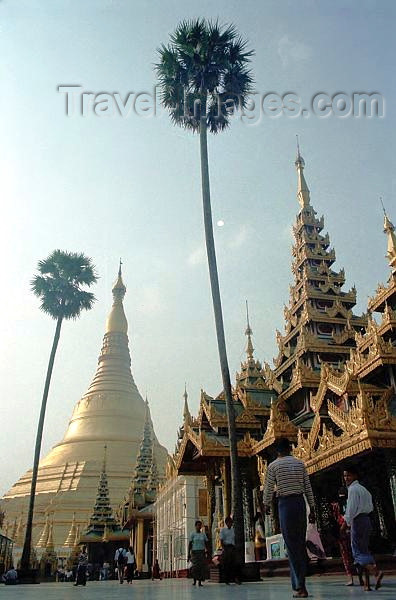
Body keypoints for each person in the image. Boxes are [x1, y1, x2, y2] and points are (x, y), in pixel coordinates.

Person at [263, 437, 315, 599]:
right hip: (300, 503)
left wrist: (265, 505)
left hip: (285, 505)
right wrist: (312, 508)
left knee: (292, 546)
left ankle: (300, 586)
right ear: (290, 448)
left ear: (277, 450)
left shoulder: (273, 466)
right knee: (299, 545)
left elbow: (268, 489)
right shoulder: (300, 464)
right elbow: (308, 487)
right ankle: (301, 584)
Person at [341, 466, 384, 591]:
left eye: (348, 475)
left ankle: (376, 572)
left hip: (358, 521)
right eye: (344, 476)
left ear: (355, 476)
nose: (346, 478)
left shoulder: (353, 490)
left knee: (358, 553)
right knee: (364, 551)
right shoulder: (364, 489)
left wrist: (344, 525)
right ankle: (367, 584)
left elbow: (351, 509)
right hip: (366, 520)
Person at [330, 489, 362, 586]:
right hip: (350, 531)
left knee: (347, 556)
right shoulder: (350, 504)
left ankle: (351, 578)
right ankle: (360, 578)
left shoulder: (336, 505)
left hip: (344, 532)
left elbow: (335, 519)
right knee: (355, 554)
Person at [219, 516, 241, 585]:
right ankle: (227, 579)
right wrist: (224, 548)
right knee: (227, 563)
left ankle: (236, 578)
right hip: (226, 547)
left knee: (235, 563)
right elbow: (221, 540)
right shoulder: (223, 530)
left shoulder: (233, 530)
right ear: (226, 523)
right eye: (229, 522)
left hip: (232, 547)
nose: (230, 524)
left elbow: (234, 539)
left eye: (231, 523)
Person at [188, 520, 209, 586]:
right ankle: (194, 580)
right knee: (195, 567)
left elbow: (206, 542)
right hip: (195, 552)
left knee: (201, 567)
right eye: (198, 525)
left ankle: (200, 581)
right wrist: (189, 553)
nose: (199, 526)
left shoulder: (203, 534)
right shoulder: (192, 534)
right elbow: (190, 544)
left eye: (200, 525)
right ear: (195, 526)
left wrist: (207, 551)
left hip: (201, 552)